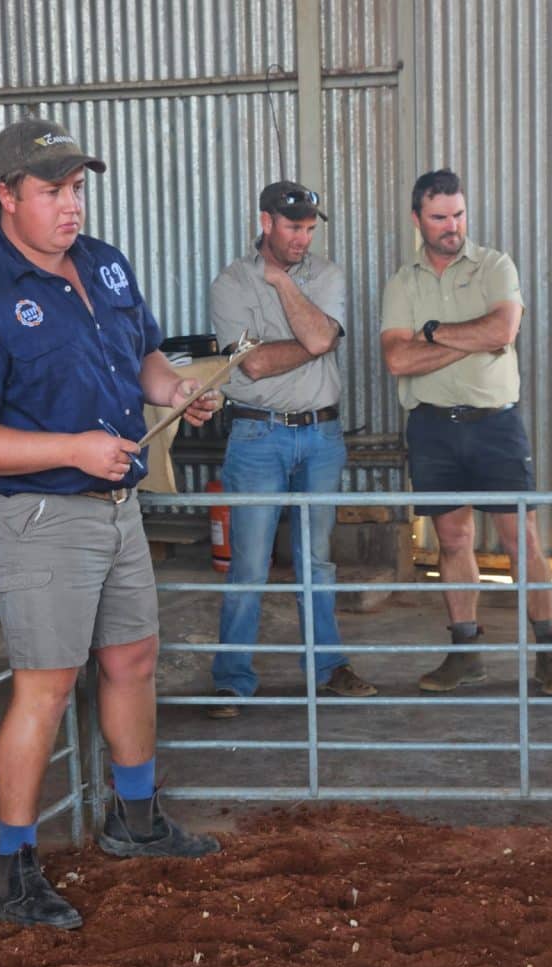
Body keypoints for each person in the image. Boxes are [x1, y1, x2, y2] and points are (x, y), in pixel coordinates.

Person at [0, 118, 222, 930]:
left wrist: (173, 390)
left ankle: (133, 819)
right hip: (38, 514)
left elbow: (144, 353)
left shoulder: (104, 262)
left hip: (115, 504)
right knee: (48, 682)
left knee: (133, 658)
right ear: (4, 195)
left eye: (77, 188)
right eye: (51, 191)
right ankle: (12, 866)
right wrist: (71, 446)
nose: (71, 207)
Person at [380, 169, 552, 697]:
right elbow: (398, 359)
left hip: (495, 424)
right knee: (453, 538)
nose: (452, 226)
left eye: (459, 214)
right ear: (417, 218)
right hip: (432, 429)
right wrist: (471, 339)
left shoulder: (494, 266)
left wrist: (435, 335)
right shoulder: (403, 282)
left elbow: (503, 330)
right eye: (440, 217)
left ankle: (548, 651)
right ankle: (465, 651)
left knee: (521, 538)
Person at [208, 180, 378, 717]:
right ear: (265, 223)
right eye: (291, 227)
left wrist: (282, 284)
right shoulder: (230, 284)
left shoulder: (326, 274)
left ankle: (328, 668)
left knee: (317, 562)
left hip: (322, 435)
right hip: (257, 434)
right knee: (250, 564)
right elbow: (251, 364)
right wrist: (310, 337)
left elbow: (322, 340)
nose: (302, 237)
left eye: (308, 228)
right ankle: (233, 679)